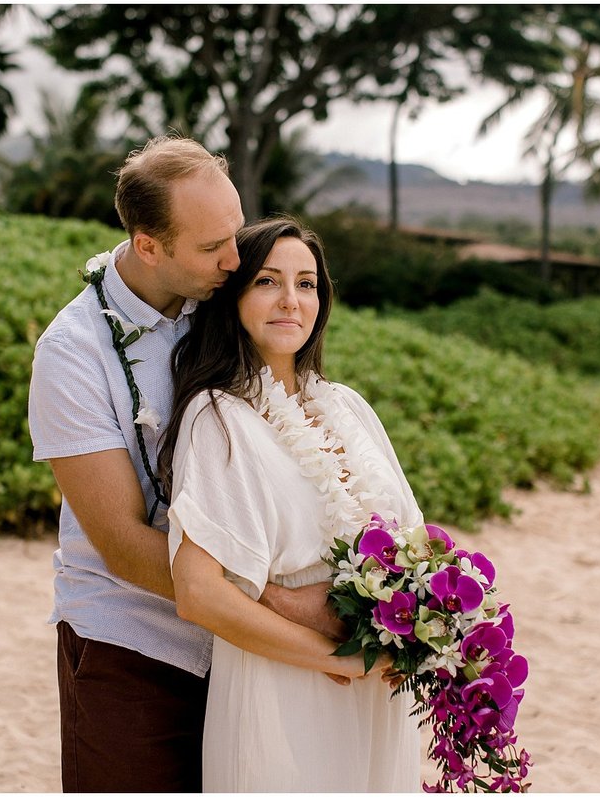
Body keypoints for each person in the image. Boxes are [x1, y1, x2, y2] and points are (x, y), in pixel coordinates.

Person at [27, 137, 343, 792]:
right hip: (133, 642)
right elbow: (119, 541)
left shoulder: (224, 298)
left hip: (243, 653)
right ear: (149, 245)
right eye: (210, 248)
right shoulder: (73, 353)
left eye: (235, 233)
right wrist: (284, 603)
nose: (234, 260)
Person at [158, 216, 422, 792]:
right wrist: (335, 657)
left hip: (377, 693)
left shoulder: (349, 406)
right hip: (285, 683)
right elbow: (199, 592)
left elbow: (415, 547)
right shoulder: (218, 416)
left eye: (306, 284)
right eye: (267, 281)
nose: (290, 300)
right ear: (234, 296)